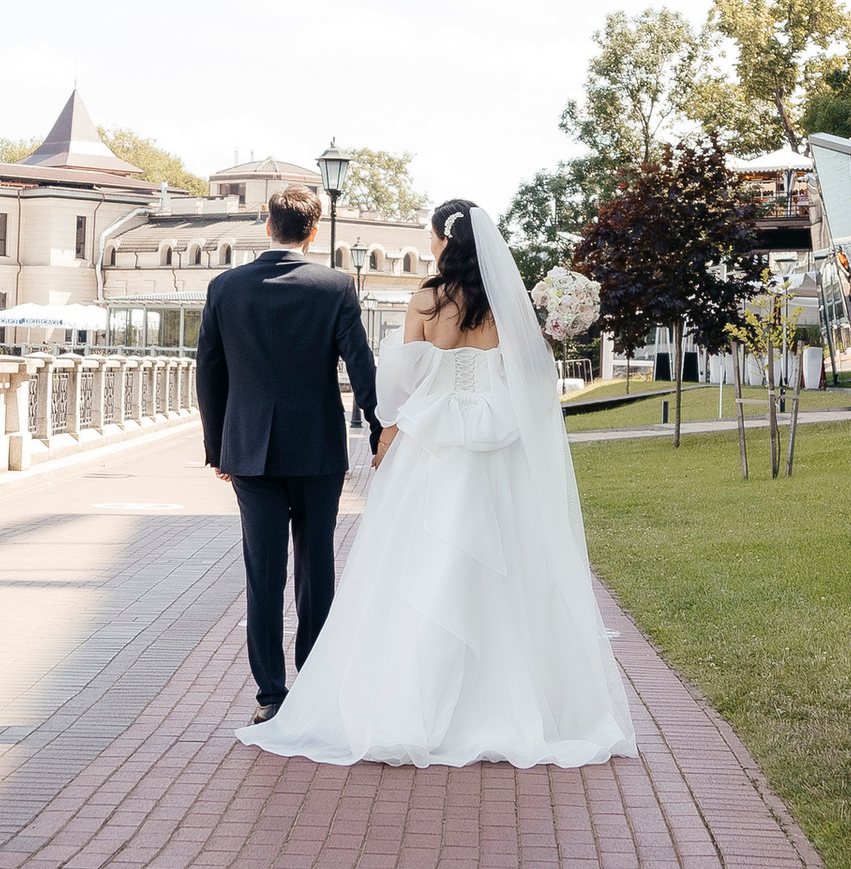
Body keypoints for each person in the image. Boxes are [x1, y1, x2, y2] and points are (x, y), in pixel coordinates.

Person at [240, 195, 636, 769]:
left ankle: (413, 702)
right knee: (507, 563)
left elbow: (401, 381)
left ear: (444, 240)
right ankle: (512, 703)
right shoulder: (509, 302)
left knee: (419, 561)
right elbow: (529, 377)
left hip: (435, 441)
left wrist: (386, 436)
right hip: (500, 444)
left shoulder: (426, 298)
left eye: (430, 233)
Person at [197, 175, 383, 721]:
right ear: (314, 229)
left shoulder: (225, 288)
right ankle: (315, 682)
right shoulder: (334, 287)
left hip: (249, 449)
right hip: (318, 447)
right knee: (315, 566)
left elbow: (209, 372)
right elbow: (361, 362)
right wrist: (378, 427)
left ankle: (271, 695)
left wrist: (218, 448)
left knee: (263, 571)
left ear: (267, 222)